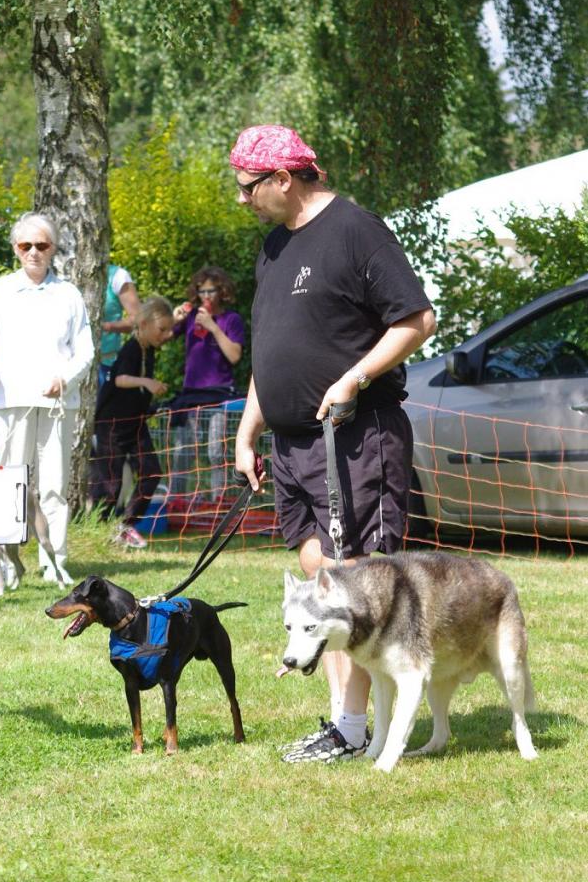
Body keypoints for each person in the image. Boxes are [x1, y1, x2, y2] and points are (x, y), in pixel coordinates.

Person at [230, 124, 436, 764]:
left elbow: (416, 319)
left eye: (247, 187)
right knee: (322, 583)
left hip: (354, 437)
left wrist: (354, 376)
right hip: (290, 446)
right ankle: (351, 727)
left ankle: (356, 728)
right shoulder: (273, 248)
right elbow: (270, 352)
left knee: (355, 584)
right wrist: (247, 430)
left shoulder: (356, 230)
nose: (242, 200)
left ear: (283, 179)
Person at [0, 212, 94, 586]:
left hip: (56, 403)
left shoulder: (69, 293)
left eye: (42, 245)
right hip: (9, 400)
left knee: (54, 485)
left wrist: (63, 378)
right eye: (26, 245)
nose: (34, 252)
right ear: (15, 249)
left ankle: (55, 562)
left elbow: (84, 351)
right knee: (9, 486)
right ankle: (5, 562)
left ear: (52, 249)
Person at [90, 295, 174, 547]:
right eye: (162, 329)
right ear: (145, 324)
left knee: (151, 471)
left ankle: (125, 525)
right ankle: (98, 532)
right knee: (109, 483)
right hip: (112, 425)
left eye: (169, 329)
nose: (166, 335)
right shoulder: (132, 348)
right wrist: (147, 382)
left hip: (135, 423)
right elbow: (119, 380)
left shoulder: (150, 351)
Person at [170, 267, 245, 501]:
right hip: (191, 395)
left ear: (222, 292)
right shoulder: (191, 316)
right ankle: (177, 501)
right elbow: (162, 336)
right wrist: (175, 318)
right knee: (183, 451)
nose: (206, 297)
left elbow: (234, 356)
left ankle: (217, 501)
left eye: (211, 291)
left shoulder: (230, 319)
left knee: (216, 451)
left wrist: (213, 327)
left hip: (219, 396)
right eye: (202, 292)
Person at [99, 263, 141, 387]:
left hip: (104, 364)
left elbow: (137, 319)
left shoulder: (118, 276)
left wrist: (108, 326)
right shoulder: (58, 268)